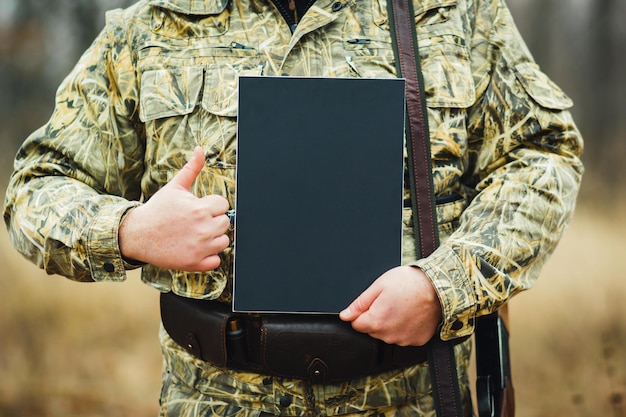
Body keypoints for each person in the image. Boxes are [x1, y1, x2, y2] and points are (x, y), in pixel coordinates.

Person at [3, 0, 584, 415]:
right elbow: (35, 187)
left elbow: (544, 155)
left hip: (415, 394)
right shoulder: (150, 27)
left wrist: (447, 284)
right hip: (213, 398)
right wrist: (129, 230)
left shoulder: (458, 14)